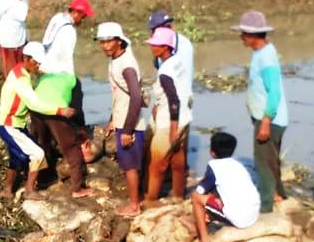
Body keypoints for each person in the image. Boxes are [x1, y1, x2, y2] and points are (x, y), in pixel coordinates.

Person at [0, 42, 75, 200]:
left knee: (16, 158)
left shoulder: (21, 71)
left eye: (39, 63)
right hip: (9, 124)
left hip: (14, 123)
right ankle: (29, 190)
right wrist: (60, 110)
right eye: (35, 62)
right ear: (26, 58)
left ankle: (7, 190)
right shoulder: (21, 79)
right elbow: (34, 103)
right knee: (37, 153)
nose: (38, 65)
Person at [233, 10, 288, 213]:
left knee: (262, 162)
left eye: (243, 34)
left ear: (252, 36)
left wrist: (265, 120)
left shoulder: (266, 58)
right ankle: (278, 194)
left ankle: (266, 206)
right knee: (271, 159)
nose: (241, 38)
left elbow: (274, 91)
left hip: (270, 120)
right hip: (268, 117)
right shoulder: (262, 53)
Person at [96, 22, 147, 216]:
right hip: (123, 119)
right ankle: (136, 200)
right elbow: (119, 95)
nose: (105, 46)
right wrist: (112, 120)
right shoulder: (116, 59)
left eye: (109, 41)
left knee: (130, 166)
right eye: (102, 42)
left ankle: (134, 206)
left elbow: (135, 97)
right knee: (128, 165)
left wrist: (127, 130)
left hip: (130, 123)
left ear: (119, 41)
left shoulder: (127, 66)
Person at [28, 62, 91, 198]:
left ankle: (43, 179)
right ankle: (78, 188)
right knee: (72, 148)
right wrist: (81, 131)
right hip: (56, 110)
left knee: (42, 144)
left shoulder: (45, 77)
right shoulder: (74, 80)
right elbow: (76, 110)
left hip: (35, 110)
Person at [144, 26, 192, 204]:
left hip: (169, 122)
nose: (152, 48)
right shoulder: (178, 61)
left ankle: (151, 200)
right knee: (178, 162)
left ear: (165, 47)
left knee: (157, 165)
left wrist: (172, 129)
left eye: (156, 45)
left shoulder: (165, 72)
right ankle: (179, 196)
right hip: (185, 119)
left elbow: (174, 100)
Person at [190, 132, 260, 242]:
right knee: (216, 195)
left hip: (240, 219)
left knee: (196, 198)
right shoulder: (238, 165)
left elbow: (200, 191)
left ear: (212, 152)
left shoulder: (214, 166)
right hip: (253, 213)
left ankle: (204, 240)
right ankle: (206, 220)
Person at [42, 0, 95, 75]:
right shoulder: (69, 31)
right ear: (75, 12)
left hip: (44, 64)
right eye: (83, 17)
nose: (83, 20)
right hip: (55, 72)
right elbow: (67, 58)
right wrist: (71, 78)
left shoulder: (57, 17)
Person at [147, 10, 195, 93]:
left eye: (153, 30)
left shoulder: (176, 46)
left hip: (176, 94)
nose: (152, 34)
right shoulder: (179, 42)